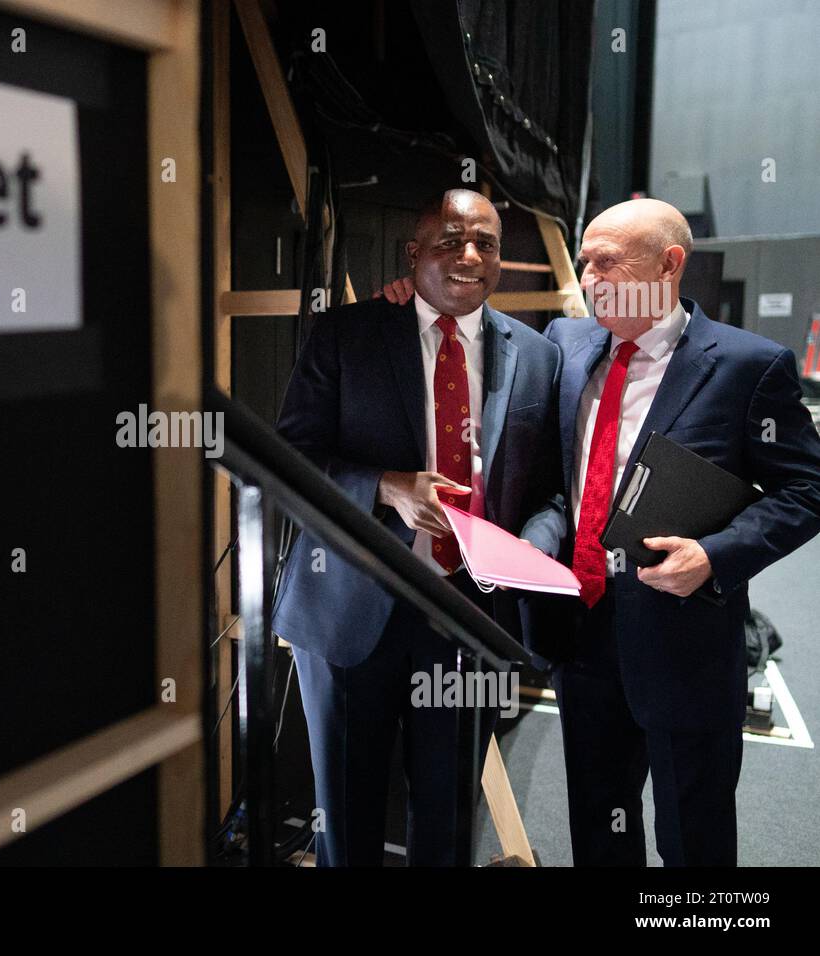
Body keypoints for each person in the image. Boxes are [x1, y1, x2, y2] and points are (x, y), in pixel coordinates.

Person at [381, 198, 820, 866]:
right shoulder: (569, 345)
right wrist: (539, 535)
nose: (588, 278)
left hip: (685, 644)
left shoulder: (748, 367)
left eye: (605, 261)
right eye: (584, 262)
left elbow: (807, 489)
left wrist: (715, 554)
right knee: (599, 826)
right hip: (581, 638)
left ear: (669, 264)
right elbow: (561, 480)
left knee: (692, 836)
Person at [272, 188, 562, 865]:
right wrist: (385, 486)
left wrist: (527, 549)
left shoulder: (539, 357)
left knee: (448, 821)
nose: (469, 256)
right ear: (413, 254)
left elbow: (551, 493)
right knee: (346, 817)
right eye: (450, 240)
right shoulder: (349, 334)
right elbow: (289, 461)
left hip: (470, 621)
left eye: (485, 243)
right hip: (350, 614)